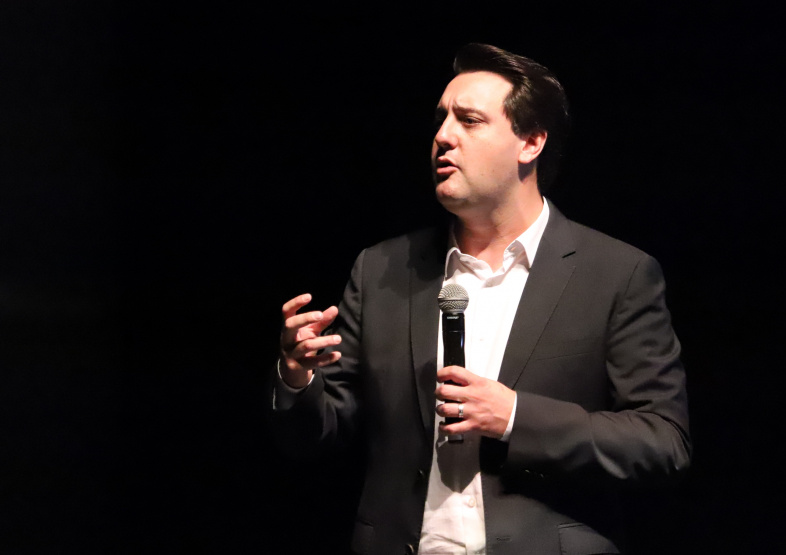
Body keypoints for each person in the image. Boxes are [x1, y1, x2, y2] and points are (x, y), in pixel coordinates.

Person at [271, 43, 690, 555]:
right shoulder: (382, 269)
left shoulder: (616, 274)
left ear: (530, 142)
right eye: (441, 120)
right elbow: (319, 434)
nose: (442, 137)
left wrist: (515, 416)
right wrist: (299, 378)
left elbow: (663, 441)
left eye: (469, 121)